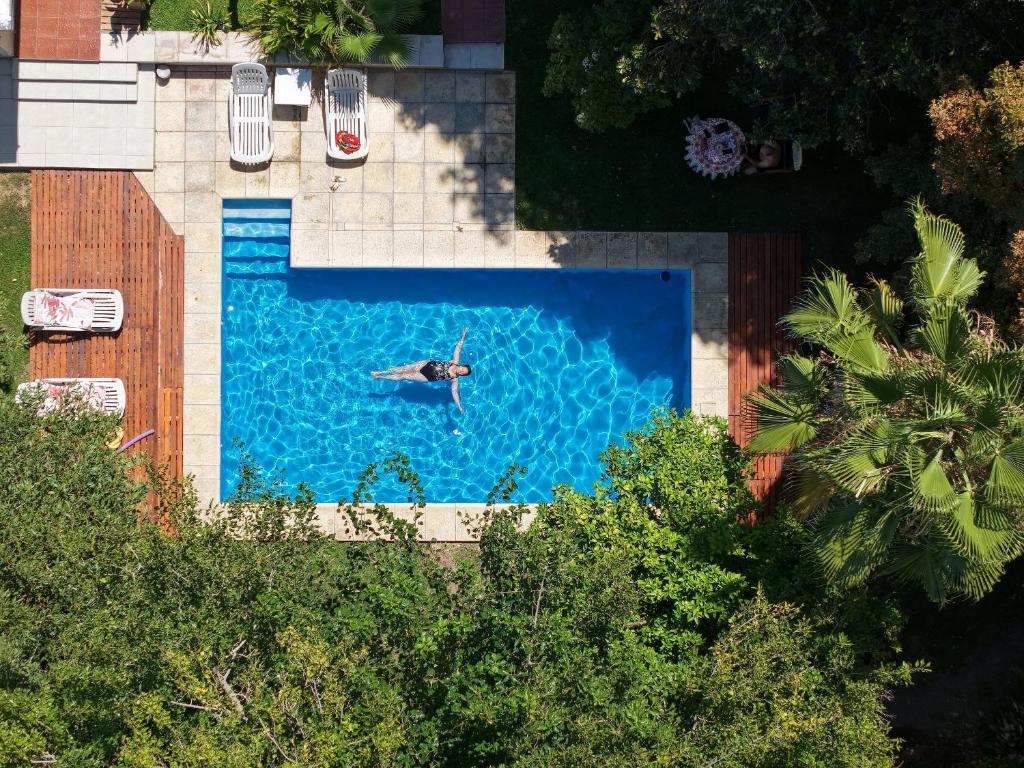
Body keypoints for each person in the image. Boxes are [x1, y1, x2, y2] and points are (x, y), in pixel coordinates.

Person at [371, 328, 472, 413]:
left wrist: (459, 406)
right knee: (402, 369)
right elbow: (458, 348)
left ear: (462, 375)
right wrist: (463, 336)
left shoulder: (454, 379)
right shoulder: (454, 361)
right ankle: (380, 372)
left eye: (463, 373)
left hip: (427, 377)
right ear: (462, 366)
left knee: (403, 376)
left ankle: (380, 377)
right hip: (425, 364)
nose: (461, 371)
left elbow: (454, 392)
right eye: (463, 369)